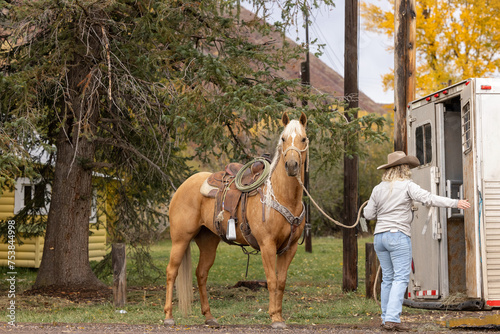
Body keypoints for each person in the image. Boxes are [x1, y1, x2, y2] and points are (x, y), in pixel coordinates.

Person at [363, 151, 470, 332]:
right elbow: (429, 198)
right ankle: (392, 319)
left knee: (387, 279)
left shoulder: (377, 189)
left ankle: (385, 318)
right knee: (401, 278)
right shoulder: (407, 186)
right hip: (398, 236)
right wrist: (455, 203)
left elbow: (368, 214)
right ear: (403, 168)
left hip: (379, 237)